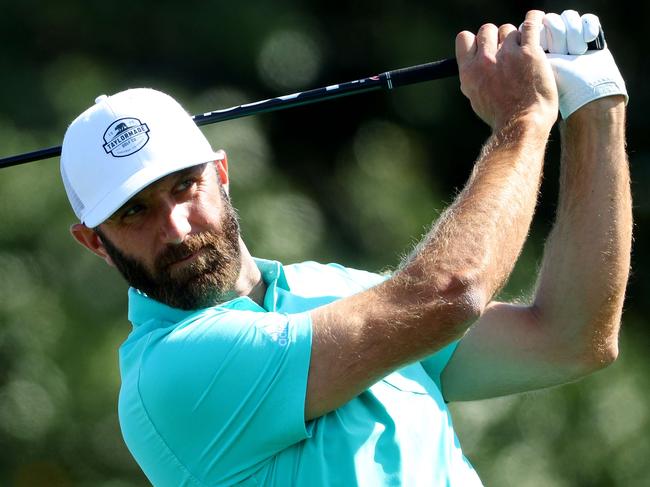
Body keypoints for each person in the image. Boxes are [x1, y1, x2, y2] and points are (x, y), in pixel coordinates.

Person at [60, 9, 631, 486]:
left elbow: (571, 338)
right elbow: (453, 291)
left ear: (221, 173)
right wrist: (525, 118)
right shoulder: (170, 373)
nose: (177, 227)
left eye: (185, 187)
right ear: (94, 243)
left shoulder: (333, 288)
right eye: (134, 212)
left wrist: (596, 106)